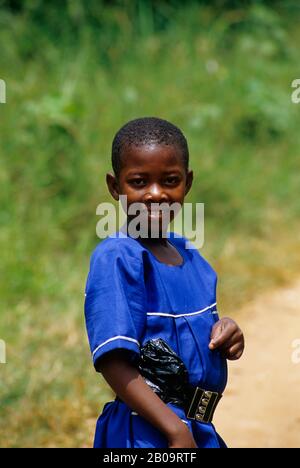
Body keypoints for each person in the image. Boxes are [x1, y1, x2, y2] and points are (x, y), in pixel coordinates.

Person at [84, 117, 245, 448]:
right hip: (145, 431)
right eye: (139, 182)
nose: (155, 194)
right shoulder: (118, 256)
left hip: (197, 429)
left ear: (187, 182)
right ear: (115, 187)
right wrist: (173, 430)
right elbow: (114, 361)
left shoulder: (191, 258)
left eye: (169, 181)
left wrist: (227, 332)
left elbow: (195, 336)